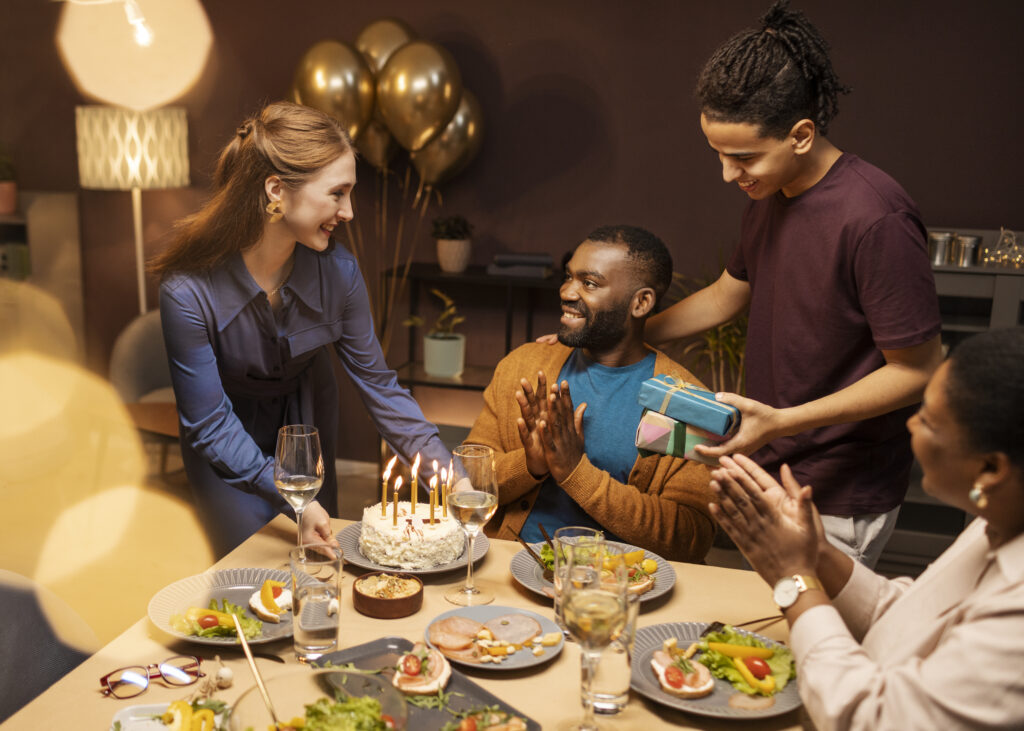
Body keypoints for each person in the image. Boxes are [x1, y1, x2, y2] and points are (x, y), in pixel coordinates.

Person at [643, 1, 943, 566]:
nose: (729, 175)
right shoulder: (769, 193)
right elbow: (729, 293)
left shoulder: (876, 216)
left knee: (815, 646)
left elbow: (917, 370)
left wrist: (783, 421)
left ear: (801, 135)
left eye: (743, 157)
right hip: (774, 460)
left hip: (839, 486)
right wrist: (627, 336)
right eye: (719, 155)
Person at [150, 101, 449, 557]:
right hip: (226, 432)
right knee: (249, 568)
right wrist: (295, 500)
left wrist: (453, 479)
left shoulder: (340, 274)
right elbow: (209, 424)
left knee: (314, 565)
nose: (348, 212)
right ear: (277, 190)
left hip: (305, 422)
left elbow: (380, 388)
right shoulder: (186, 291)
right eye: (337, 193)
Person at [709, 327, 1024, 729]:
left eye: (927, 420)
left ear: (991, 468)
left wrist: (795, 580)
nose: (910, 425)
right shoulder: (995, 523)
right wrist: (818, 553)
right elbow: (906, 622)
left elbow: (872, 718)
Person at [469, 225, 715, 562]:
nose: (567, 292)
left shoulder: (688, 405)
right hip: (510, 568)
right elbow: (469, 481)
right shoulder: (524, 365)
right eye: (568, 276)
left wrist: (575, 472)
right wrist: (530, 465)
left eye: (589, 283)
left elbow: (690, 538)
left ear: (641, 302)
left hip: (625, 589)